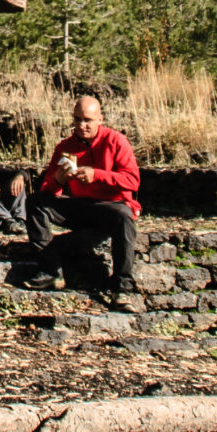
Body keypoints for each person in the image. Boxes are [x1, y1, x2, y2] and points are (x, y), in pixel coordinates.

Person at [24, 94, 144, 306]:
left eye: (87, 120)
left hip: (110, 207)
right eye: (77, 119)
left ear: (100, 119)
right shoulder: (65, 147)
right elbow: (47, 189)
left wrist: (97, 175)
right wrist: (58, 180)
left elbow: (132, 181)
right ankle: (50, 271)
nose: (81, 125)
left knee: (125, 217)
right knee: (36, 202)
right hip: (81, 206)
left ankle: (122, 288)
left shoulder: (116, 140)